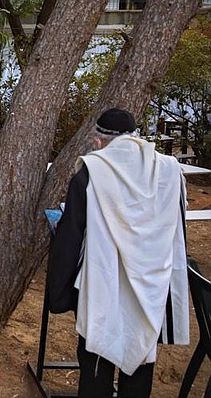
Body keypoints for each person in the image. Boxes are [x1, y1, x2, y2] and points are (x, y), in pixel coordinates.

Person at [47, 108, 189, 397]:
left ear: (99, 140)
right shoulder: (170, 170)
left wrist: (58, 295)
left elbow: (70, 237)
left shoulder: (91, 171)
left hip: (103, 282)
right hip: (151, 285)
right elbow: (177, 233)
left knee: (96, 363)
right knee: (140, 360)